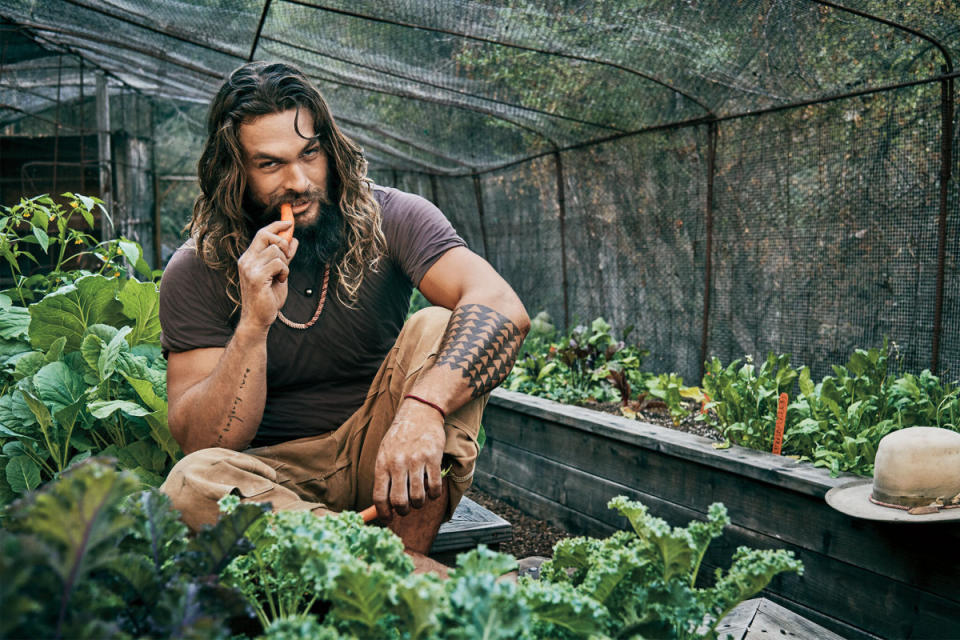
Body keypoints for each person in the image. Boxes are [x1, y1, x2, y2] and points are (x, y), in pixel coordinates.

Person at [158, 61, 529, 573]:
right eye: (269, 165)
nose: (300, 180)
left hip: (385, 460)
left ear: (329, 147)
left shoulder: (393, 217)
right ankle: (405, 574)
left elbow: (502, 306)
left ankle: (369, 563)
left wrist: (422, 409)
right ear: (234, 175)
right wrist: (253, 324)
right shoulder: (197, 267)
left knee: (443, 325)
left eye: (309, 153)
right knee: (190, 482)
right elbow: (206, 443)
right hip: (275, 480)